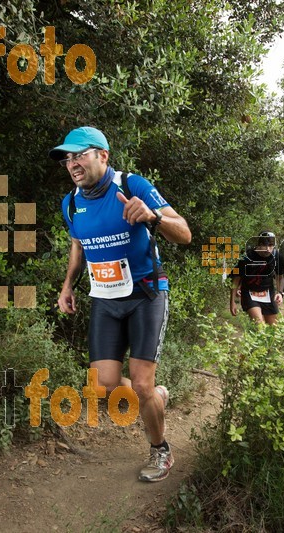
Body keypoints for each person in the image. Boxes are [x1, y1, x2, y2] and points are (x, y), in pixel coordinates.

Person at [52, 126, 192, 482]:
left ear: (103, 155)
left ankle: (160, 450)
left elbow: (185, 233)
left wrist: (152, 216)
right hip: (104, 298)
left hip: (146, 294)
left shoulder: (132, 186)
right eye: (68, 158)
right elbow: (78, 245)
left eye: (79, 154)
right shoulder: (71, 203)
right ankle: (156, 396)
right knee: (104, 385)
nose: (72, 164)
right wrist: (68, 285)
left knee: (141, 385)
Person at [229, 231, 284, 325]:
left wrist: (280, 293)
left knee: (274, 330)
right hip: (249, 292)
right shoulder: (247, 256)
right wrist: (232, 302)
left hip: (267, 293)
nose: (268, 249)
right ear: (259, 244)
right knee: (260, 326)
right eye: (265, 245)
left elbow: (280, 278)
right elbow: (236, 279)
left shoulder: (276, 256)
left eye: (271, 245)